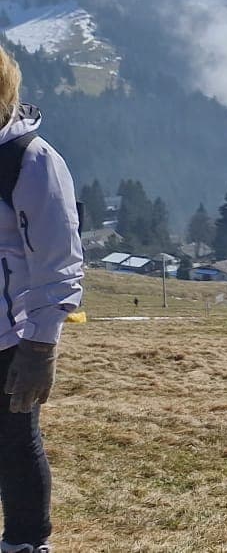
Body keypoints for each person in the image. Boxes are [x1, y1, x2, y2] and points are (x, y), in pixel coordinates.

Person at [0, 46, 85, 553]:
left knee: (14, 443)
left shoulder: (31, 161)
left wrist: (40, 349)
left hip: (11, 337)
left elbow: (58, 261)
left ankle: (27, 545)